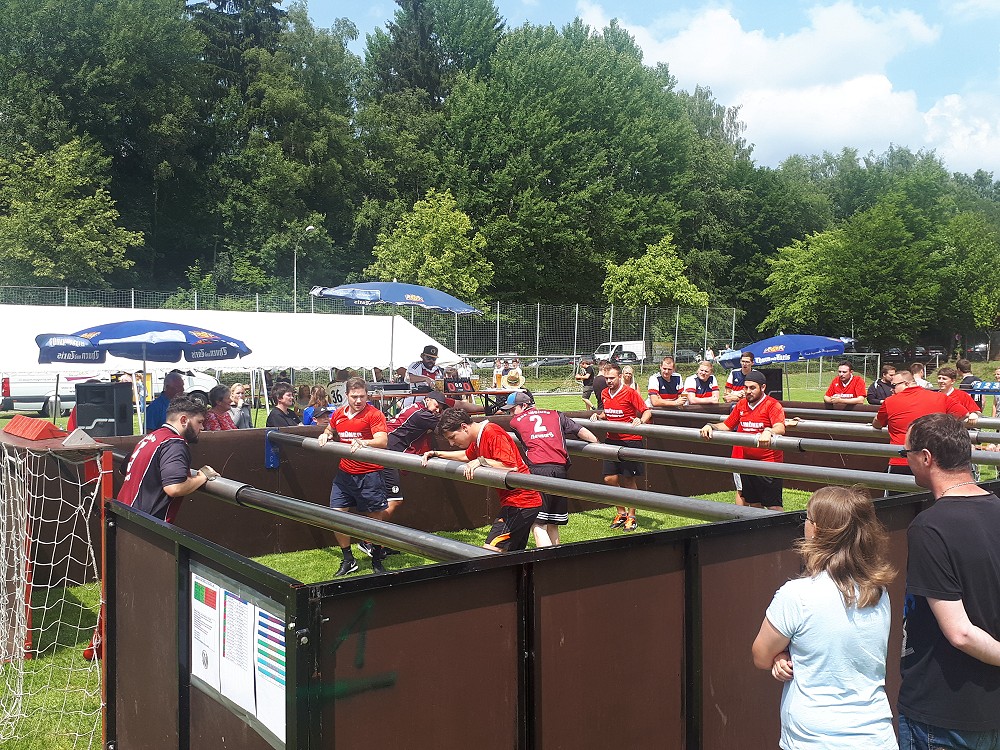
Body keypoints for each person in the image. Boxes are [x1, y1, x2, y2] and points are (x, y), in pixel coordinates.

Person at [751, 486, 897, 750]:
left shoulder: (796, 595)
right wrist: (785, 655)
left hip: (813, 740)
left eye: (807, 518)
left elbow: (761, 656)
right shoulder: (878, 592)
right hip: (877, 738)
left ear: (816, 530)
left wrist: (781, 655)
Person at [897, 413, 1000, 748]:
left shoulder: (929, 527)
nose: (906, 460)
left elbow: (960, 633)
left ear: (926, 457)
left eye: (906, 453)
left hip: (943, 715)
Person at [422, 407, 543, 551]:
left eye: (452, 437)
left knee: (489, 552)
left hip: (521, 502)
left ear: (464, 427)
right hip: (518, 502)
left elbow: (510, 466)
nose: (451, 444)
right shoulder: (478, 438)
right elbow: (466, 456)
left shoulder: (492, 432)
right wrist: (436, 453)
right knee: (514, 556)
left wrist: (481, 461)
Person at [502, 390, 599, 546]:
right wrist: (597, 445)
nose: (511, 414)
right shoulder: (556, 414)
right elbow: (580, 430)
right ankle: (556, 558)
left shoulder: (515, 422)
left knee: (537, 524)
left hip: (538, 469)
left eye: (513, 409)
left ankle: (545, 560)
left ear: (524, 405)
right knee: (553, 523)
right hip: (560, 469)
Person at [317, 377, 390, 576]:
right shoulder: (339, 414)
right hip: (344, 474)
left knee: (374, 520)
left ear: (367, 395)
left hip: (370, 474)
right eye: (354, 396)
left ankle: (376, 560)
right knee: (336, 516)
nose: (358, 400)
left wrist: (365, 442)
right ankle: (348, 559)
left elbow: (382, 440)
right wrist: (326, 434)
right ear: (347, 395)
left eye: (362, 396)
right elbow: (330, 428)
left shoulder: (374, 414)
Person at [119, 396, 219, 523]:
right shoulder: (174, 443)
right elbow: (174, 488)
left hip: (123, 515)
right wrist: (202, 477)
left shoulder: (151, 437)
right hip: (144, 524)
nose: (202, 427)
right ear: (184, 420)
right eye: (199, 422)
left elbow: (123, 470)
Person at [700, 371, 786, 510]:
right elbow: (727, 425)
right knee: (753, 504)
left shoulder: (772, 404)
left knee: (773, 507)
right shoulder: (741, 404)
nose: (748, 391)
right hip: (747, 463)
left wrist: (768, 431)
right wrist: (711, 426)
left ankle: (780, 526)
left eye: (752, 388)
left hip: (768, 464)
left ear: (763, 387)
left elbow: (780, 427)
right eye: (746, 387)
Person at [591, 361, 652, 532]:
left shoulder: (630, 392)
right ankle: (621, 512)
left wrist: (640, 420)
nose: (609, 381)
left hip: (630, 440)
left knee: (628, 479)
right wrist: (599, 416)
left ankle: (631, 516)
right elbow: (608, 412)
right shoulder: (604, 393)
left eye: (612, 378)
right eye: (606, 378)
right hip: (611, 440)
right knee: (609, 478)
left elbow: (647, 411)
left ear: (619, 377)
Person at [872, 371, 969, 477]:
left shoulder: (889, 401)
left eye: (893, 386)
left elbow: (877, 424)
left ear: (906, 383)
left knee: (898, 487)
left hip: (902, 460)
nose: (891, 389)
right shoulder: (940, 397)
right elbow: (964, 414)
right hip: (935, 460)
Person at [379, 389, 450, 525]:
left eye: (440, 409)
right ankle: (369, 534)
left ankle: (370, 535)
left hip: (385, 450)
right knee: (394, 500)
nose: (437, 410)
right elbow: (445, 430)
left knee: (380, 500)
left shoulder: (416, 408)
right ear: (428, 400)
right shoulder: (422, 414)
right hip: (387, 453)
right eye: (436, 406)